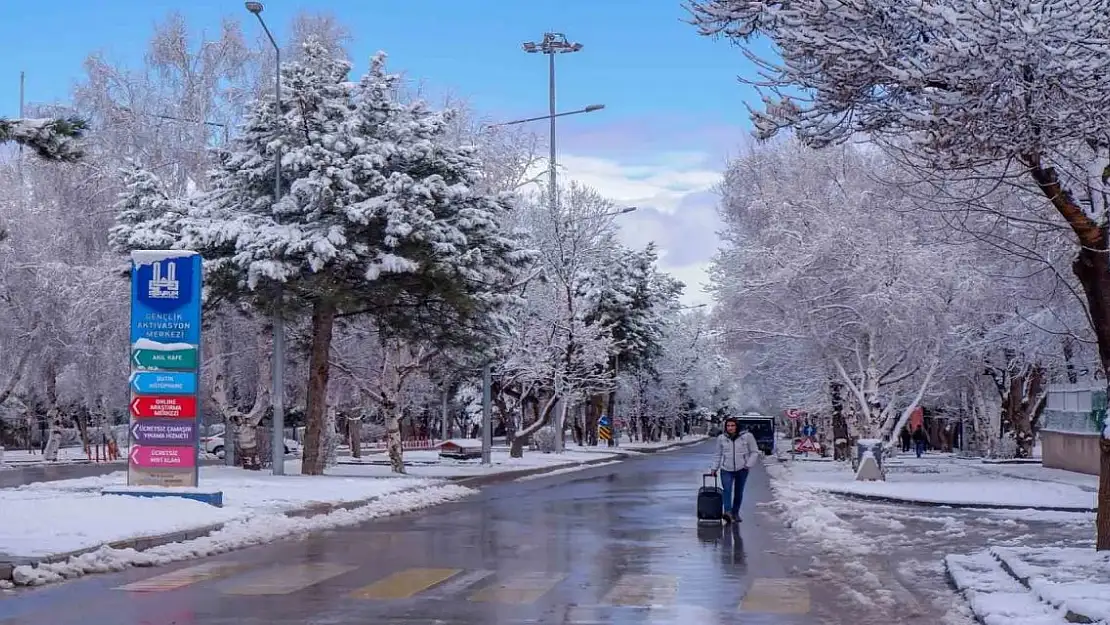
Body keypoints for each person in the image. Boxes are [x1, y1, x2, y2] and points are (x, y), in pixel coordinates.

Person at [710, 417, 761, 523]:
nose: (730, 428)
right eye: (728, 426)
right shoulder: (721, 438)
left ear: (737, 426)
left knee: (739, 492)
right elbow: (717, 454)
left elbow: (754, 451)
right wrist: (714, 468)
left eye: (732, 425)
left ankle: (735, 513)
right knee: (727, 490)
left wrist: (748, 464)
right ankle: (727, 512)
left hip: (742, 469)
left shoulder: (747, 437)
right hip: (726, 469)